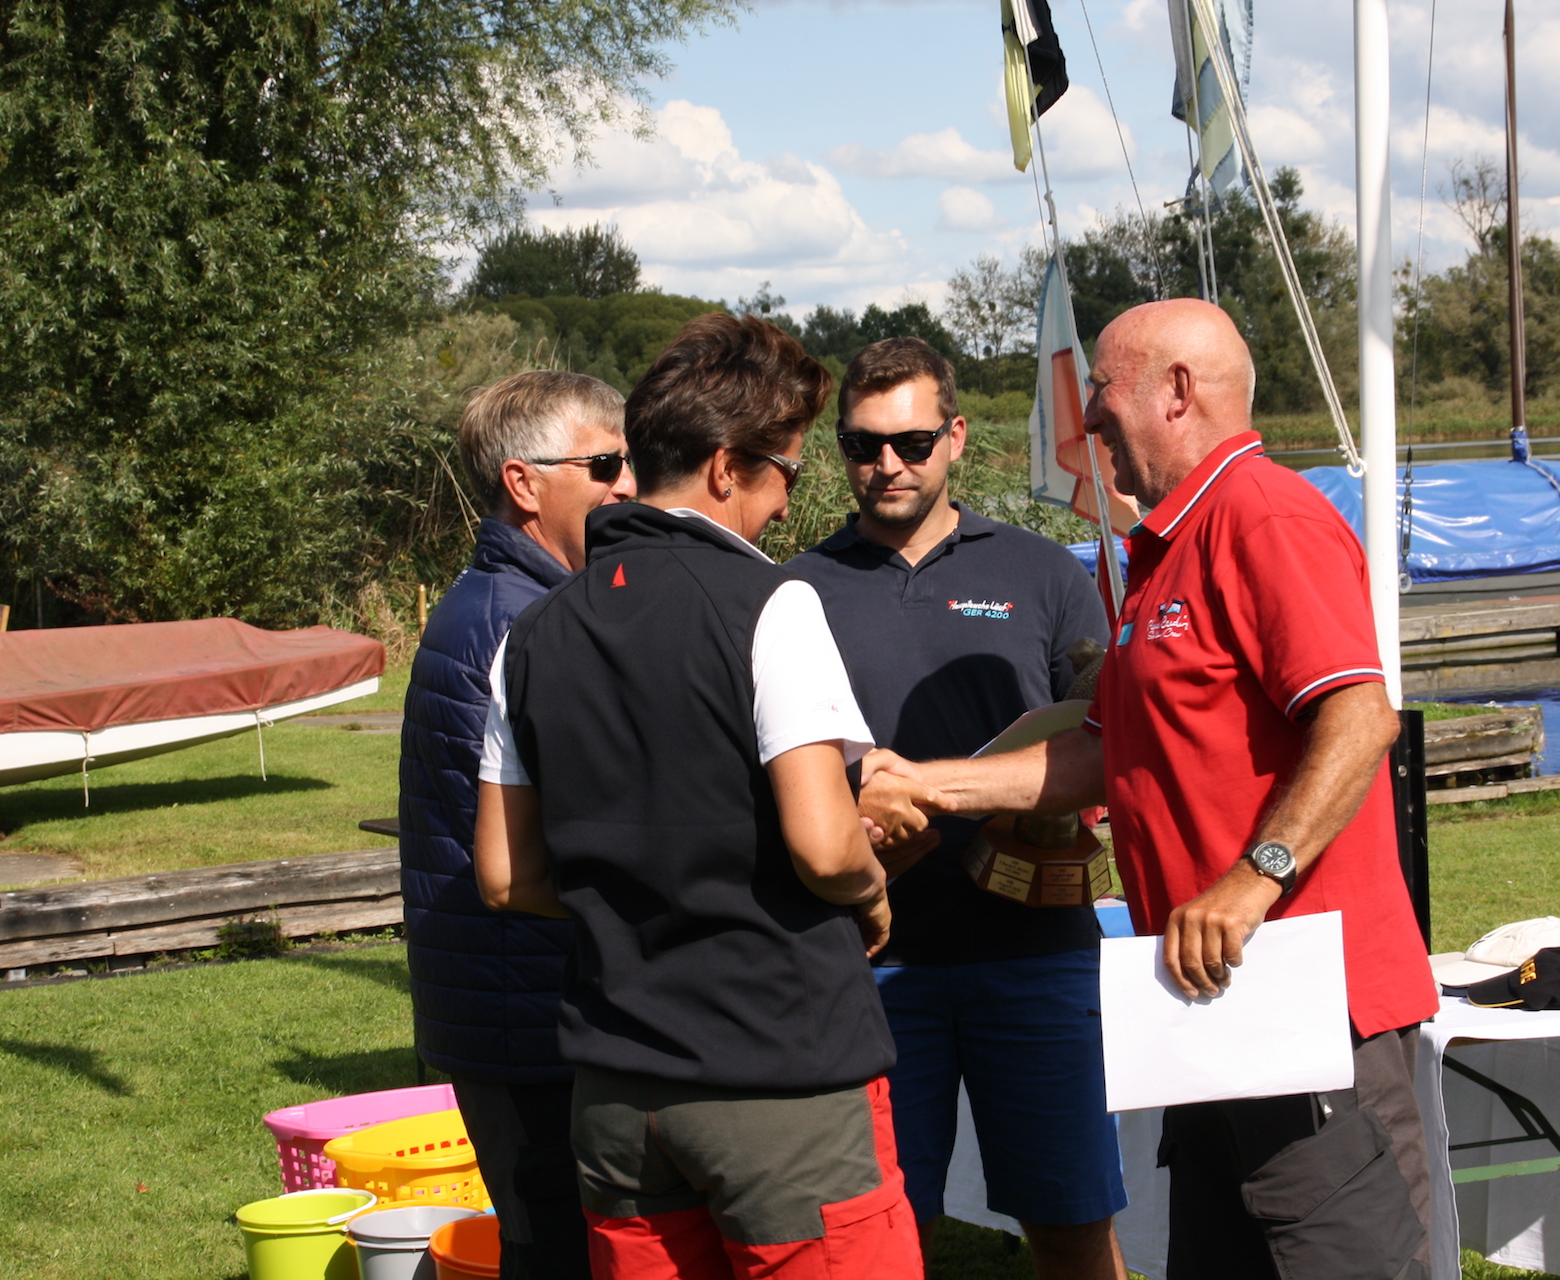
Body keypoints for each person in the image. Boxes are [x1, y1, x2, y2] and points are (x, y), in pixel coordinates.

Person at [862, 299, 1439, 1280]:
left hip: (1311, 1013)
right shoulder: (1161, 547)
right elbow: (1100, 752)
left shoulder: (1264, 515)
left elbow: (1359, 718)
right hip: (1209, 1007)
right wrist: (931, 782)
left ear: (1177, 391)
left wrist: (1252, 878)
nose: (1089, 420)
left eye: (1102, 393)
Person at [472, 313, 931, 1280]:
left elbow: (507, 876)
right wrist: (871, 890)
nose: (787, 505)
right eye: (786, 472)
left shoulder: (531, 635)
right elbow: (824, 846)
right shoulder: (774, 604)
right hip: (777, 1072)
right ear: (726, 468)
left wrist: (635, 895)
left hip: (615, 1087)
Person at [786, 337, 1125, 1280]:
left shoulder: (1044, 574)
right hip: (869, 964)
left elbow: (1106, 749)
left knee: (1073, 1223)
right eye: (863, 445)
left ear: (958, 436)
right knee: (884, 1238)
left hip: (1037, 952)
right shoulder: (795, 592)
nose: (888, 464)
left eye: (913, 442)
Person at [399, 369, 636, 1280]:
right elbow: (576, 822)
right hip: (528, 1015)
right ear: (524, 484)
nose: (627, 484)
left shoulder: (524, 604)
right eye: (605, 465)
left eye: (629, 461)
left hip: (524, 1003)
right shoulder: (516, 623)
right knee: (559, 1252)